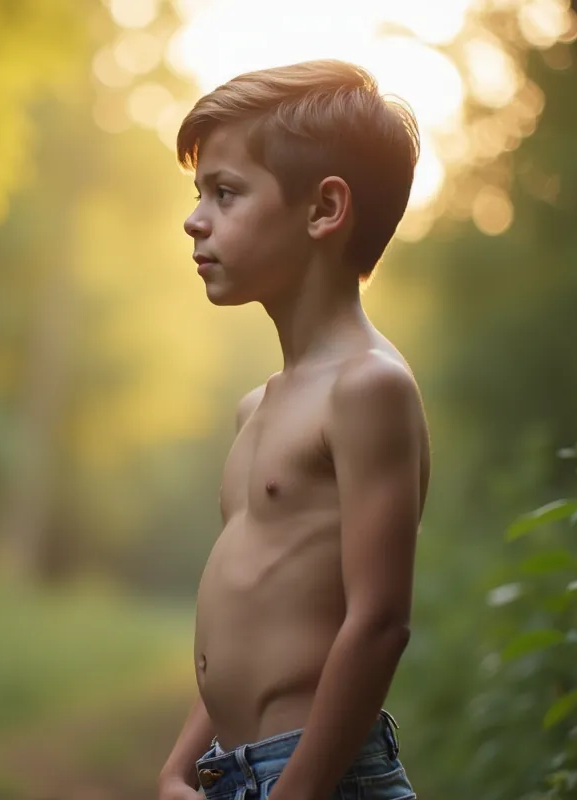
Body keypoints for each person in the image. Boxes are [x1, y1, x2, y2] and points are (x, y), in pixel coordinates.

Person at [157, 59, 431, 800]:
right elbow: (244, 627)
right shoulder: (258, 407)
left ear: (324, 209)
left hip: (318, 779)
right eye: (199, 193)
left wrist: (297, 792)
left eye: (225, 192)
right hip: (234, 773)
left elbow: (378, 623)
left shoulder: (369, 388)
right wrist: (181, 765)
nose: (195, 218)